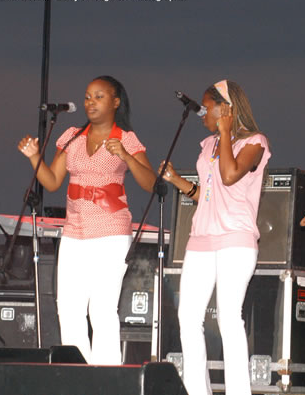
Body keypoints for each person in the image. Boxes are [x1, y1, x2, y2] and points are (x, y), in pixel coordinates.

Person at [18, 75, 156, 364]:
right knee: (68, 307)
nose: (90, 103)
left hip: (111, 232)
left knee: (102, 309)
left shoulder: (126, 138)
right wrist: (34, 157)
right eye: (87, 97)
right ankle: (77, 375)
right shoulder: (70, 136)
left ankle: (107, 378)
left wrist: (127, 157)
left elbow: (150, 183)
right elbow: (53, 181)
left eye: (99, 97)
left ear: (115, 102)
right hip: (74, 233)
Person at [160, 80, 270, 395]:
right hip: (201, 238)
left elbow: (230, 174)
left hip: (236, 238)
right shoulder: (208, 145)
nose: (203, 115)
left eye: (208, 108)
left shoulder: (255, 142)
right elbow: (208, 194)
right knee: (188, 317)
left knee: (228, 317)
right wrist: (178, 181)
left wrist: (225, 133)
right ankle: (197, 391)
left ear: (226, 109)